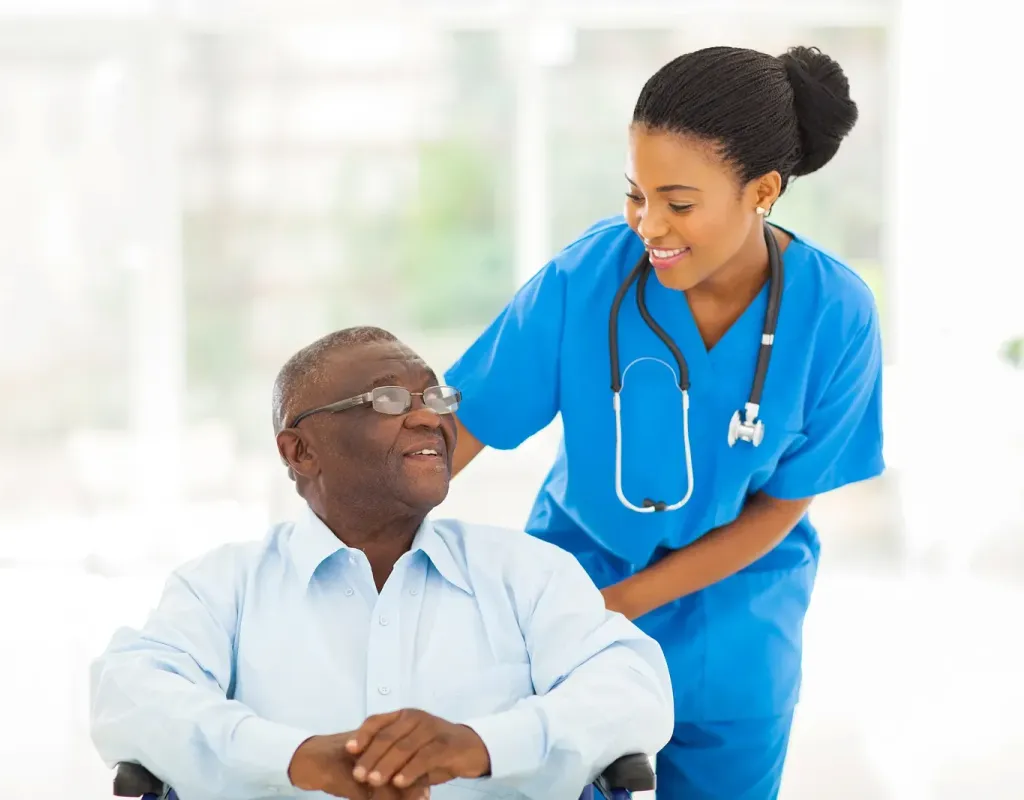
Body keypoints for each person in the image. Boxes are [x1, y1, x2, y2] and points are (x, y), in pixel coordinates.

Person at [444, 45, 884, 799]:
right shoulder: (587, 280)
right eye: (635, 195)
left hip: (737, 622)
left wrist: (626, 604)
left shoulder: (835, 314)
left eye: (679, 203)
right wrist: (353, 530)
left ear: (763, 191)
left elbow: (782, 505)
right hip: (575, 604)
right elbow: (459, 430)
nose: (649, 226)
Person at [89, 326, 674, 800]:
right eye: (389, 399)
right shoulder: (221, 586)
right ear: (300, 450)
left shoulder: (527, 572)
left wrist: (479, 745)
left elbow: (632, 689)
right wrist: (296, 760)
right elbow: (131, 694)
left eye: (436, 396)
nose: (430, 418)